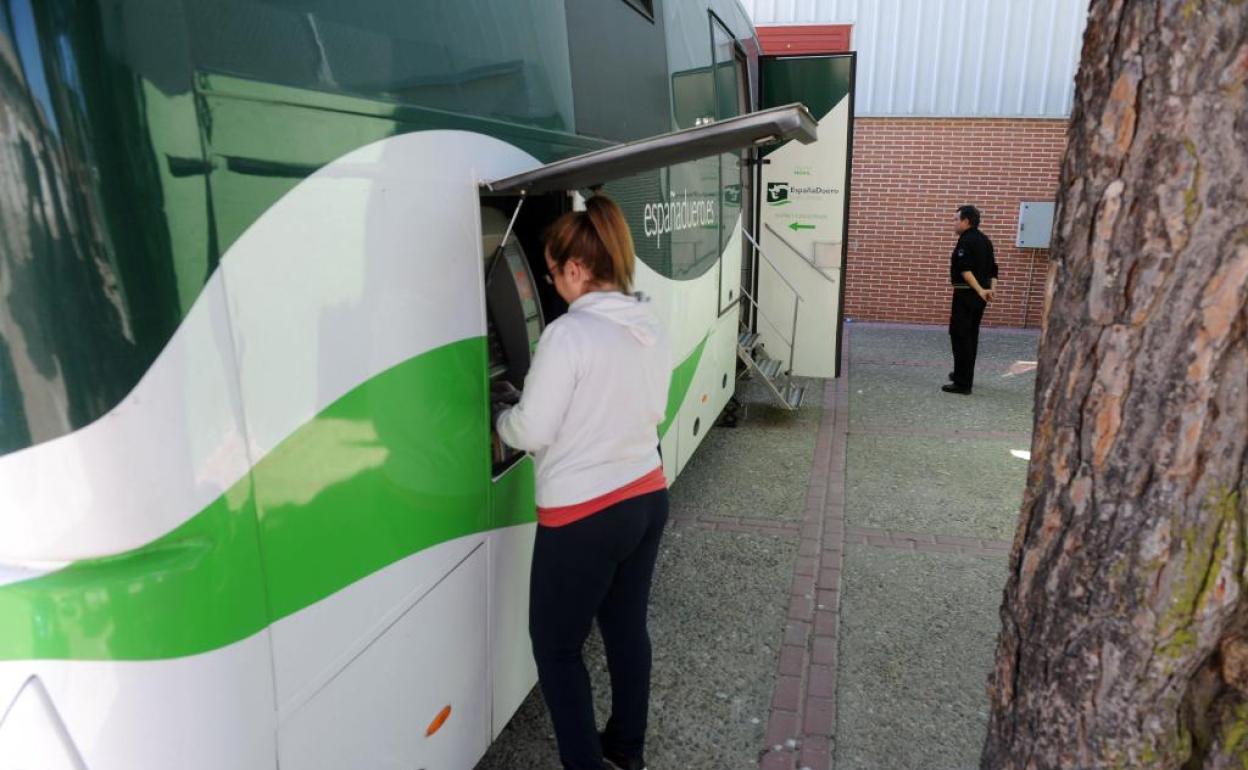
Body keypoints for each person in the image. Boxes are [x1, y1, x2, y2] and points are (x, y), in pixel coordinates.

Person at [495, 195, 671, 770]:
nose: (552, 284)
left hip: (584, 517)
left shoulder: (569, 336)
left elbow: (533, 428)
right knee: (625, 630)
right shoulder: (646, 322)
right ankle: (626, 748)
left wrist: (502, 418)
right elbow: (652, 405)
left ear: (574, 270)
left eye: (550, 273)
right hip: (646, 495)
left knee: (556, 648)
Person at [944, 204, 998, 395]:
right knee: (971, 336)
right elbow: (994, 269)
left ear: (966, 221)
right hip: (979, 297)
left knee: (960, 336)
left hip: (966, 295)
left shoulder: (966, 240)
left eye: (955, 219)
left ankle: (962, 383)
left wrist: (979, 290)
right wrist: (989, 290)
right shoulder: (985, 240)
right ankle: (963, 375)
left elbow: (965, 270)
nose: (954, 223)